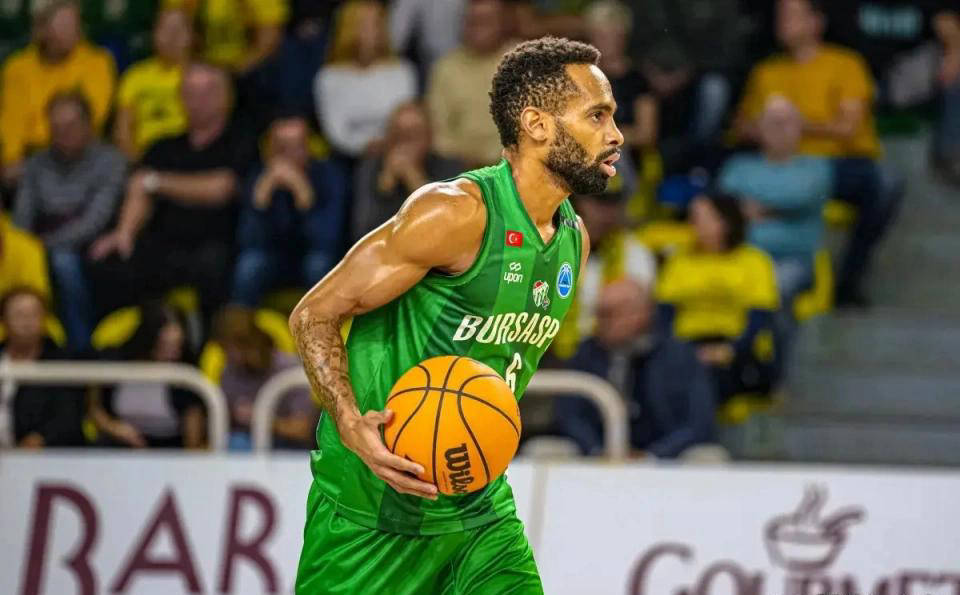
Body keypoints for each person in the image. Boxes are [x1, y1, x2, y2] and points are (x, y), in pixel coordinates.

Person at [291, 36, 622, 593]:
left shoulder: (574, 240)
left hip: (478, 510)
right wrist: (348, 421)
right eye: (598, 115)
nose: (616, 135)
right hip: (372, 512)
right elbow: (313, 315)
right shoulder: (454, 213)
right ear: (537, 125)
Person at [733, 0, 904, 308]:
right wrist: (775, 131)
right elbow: (742, 127)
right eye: (780, 15)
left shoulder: (845, 64)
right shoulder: (766, 70)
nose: (782, 22)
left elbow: (848, 127)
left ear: (816, 22)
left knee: (887, 181)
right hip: (779, 164)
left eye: (792, 15)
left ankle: (848, 281)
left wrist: (790, 123)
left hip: (835, 164)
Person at [89, 62, 255, 327]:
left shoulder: (240, 141)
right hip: (165, 242)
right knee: (112, 261)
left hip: (218, 241)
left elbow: (220, 188)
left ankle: (207, 342)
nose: (198, 101)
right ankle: (138, 339)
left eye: (207, 92)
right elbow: (138, 185)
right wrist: (124, 232)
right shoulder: (163, 147)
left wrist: (158, 182)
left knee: (213, 266)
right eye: (190, 93)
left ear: (226, 97)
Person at [13, 92, 127, 353]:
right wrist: (28, 248)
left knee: (63, 262)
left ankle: (79, 348)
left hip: (93, 245)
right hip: (40, 242)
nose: (63, 133)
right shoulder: (37, 163)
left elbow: (95, 220)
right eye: (56, 127)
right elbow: (22, 216)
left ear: (89, 124)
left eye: (70, 126)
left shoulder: (110, 161)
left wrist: (42, 246)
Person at [553, 279, 717, 458]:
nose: (601, 322)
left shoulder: (679, 356)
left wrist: (654, 455)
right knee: (546, 449)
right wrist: (596, 450)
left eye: (610, 314)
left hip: (665, 459)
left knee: (707, 456)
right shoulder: (585, 354)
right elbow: (569, 416)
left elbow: (698, 422)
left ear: (642, 313)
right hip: (597, 455)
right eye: (599, 314)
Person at [657, 193, 780, 402]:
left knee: (709, 379)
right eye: (692, 218)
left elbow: (759, 319)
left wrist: (728, 351)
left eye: (700, 218)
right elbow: (664, 316)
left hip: (737, 347)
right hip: (688, 345)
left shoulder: (755, 261)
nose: (693, 225)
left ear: (725, 223)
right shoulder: (679, 261)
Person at [719, 96, 831, 309]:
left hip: (791, 259)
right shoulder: (739, 166)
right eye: (772, 122)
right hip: (738, 257)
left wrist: (754, 207)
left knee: (772, 290)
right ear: (759, 128)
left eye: (786, 122)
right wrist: (778, 211)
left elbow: (799, 197)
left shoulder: (816, 167)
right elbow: (725, 206)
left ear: (800, 127)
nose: (780, 128)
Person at [232, 113, 348, 306]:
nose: (290, 157)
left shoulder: (329, 174)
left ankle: (324, 323)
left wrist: (304, 195)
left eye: (297, 147)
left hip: (311, 255)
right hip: (274, 257)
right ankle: (241, 324)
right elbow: (247, 241)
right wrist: (261, 200)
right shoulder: (259, 176)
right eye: (282, 149)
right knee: (249, 266)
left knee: (318, 264)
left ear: (309, 148)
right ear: (270, 150)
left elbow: (327, 240)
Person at [0, 0, 116, 184]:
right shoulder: (17, 68)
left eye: (74, 25)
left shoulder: (98, 63)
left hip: (78, 155)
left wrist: (44, 158)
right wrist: (11, 158)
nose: (71, 32)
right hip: (27, 157)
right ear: (41, 30)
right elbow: (11, 121)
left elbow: (90, 120)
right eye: (62, 25)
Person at [552, 155, 655, 359]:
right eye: (598, 201)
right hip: (549, 356)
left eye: (614, 202)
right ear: (579, 201)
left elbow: (637, 320)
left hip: (610, 355)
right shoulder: (551, 248)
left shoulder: (635, 252)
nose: (606, 213)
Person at [89, 301, 205, 448]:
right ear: (148, 339)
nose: (173, 354)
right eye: (165, 346)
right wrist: (114, 428)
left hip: (169, 450)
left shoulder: (187, 375)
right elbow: (94, 408)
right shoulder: (115, 361)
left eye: (178, 346)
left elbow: (192, 440)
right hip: (119, 444)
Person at [314, 0, 418, 159]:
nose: (372, 32)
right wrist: (365, 145)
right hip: (347, 159)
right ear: (348, 29)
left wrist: (387, 144)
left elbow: (406, 122)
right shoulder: (329, 77)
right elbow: (335, 132)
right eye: (363, 25)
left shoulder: (403, 71)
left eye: (376, 24)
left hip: (396, 152)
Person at [352, 101, 463, 242]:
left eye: (414, 134)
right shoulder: (371, 167)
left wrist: (416, 183)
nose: (405, 142)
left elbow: (449, 230)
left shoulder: (449, 168)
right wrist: (385, 186)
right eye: (398, 134)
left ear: (429, 138)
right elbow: (361, 234)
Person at [214, 305, 318, 450]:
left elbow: (302, 430)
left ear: (254, 340)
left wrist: (260, 419)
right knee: (236, 442)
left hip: (289, 449)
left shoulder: (289, 369)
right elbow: (222, 425)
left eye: (237, 347)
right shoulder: (229, 371)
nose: (230, 355)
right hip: (245, 446)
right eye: (226, 349)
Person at [426, 0, 514, 168]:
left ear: (503, 23)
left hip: (512, 164)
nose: (478, 29)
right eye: (473, 22)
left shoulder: (523, 61)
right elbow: (438, 130)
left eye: (486, 21)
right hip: (458, 165)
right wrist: (464, 158)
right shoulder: (446, 67)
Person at [0, 287, 86, 449]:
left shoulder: (62, 362)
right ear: (3, 320)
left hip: (42, 455)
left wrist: (41, 438)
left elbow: (68, 417)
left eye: (34, 315)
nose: (27, 322)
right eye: (19, 315)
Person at [113, 7, 193, 160]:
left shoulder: (201, 77)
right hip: (143, 157)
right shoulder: (135, 75)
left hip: (190, 157)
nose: (172, 37)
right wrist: (138, 162)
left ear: (191, 36)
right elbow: (122, 131)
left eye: (178, 30)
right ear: (153, 34)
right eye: (165, 29)